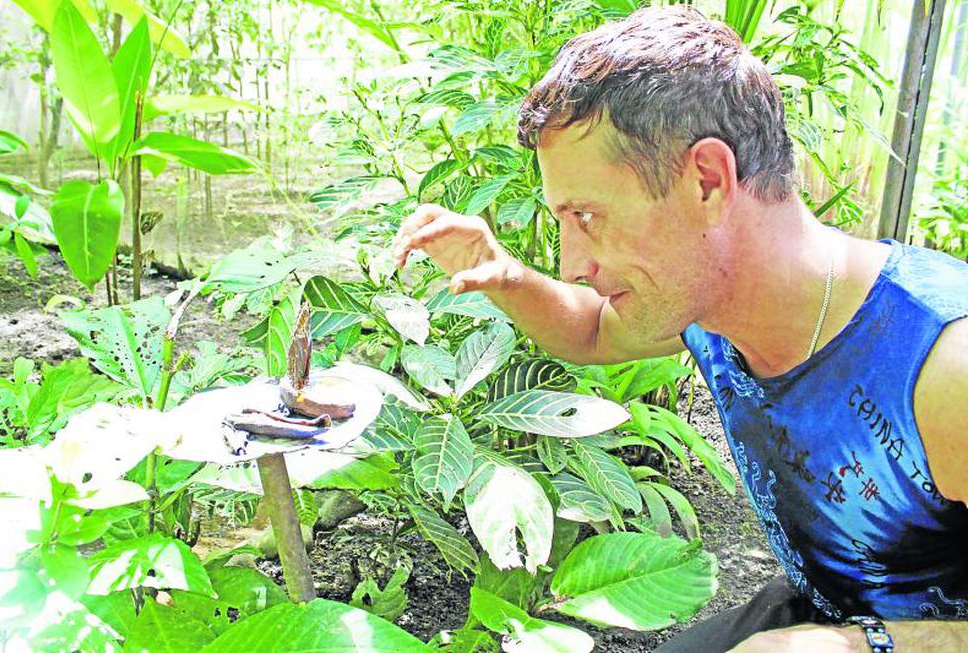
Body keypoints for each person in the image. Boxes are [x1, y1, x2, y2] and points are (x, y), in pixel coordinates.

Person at [393, 5, 967, 652]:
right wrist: (504, 276)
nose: (572, 264)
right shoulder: (711, 308)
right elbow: (592, 332)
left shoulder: (943, 365)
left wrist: (858, 646)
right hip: (824, 604)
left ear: (707, 180)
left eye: (587, 215)